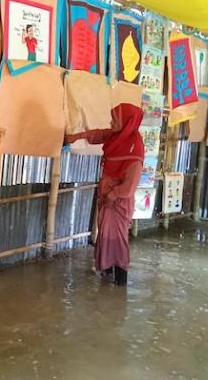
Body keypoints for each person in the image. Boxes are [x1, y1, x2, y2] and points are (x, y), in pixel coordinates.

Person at [65, 103, 145, 286]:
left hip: (118, 201)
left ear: (126, 122)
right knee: (106, 236)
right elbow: (98, 134)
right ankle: (107, 275)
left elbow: (130, 186)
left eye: (115, 119)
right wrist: (76, 136)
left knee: (116, 239)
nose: (111, 122)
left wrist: (113, 194)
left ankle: (120, 279)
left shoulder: (135, 146)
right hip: (108, 197)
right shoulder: (118, 136)